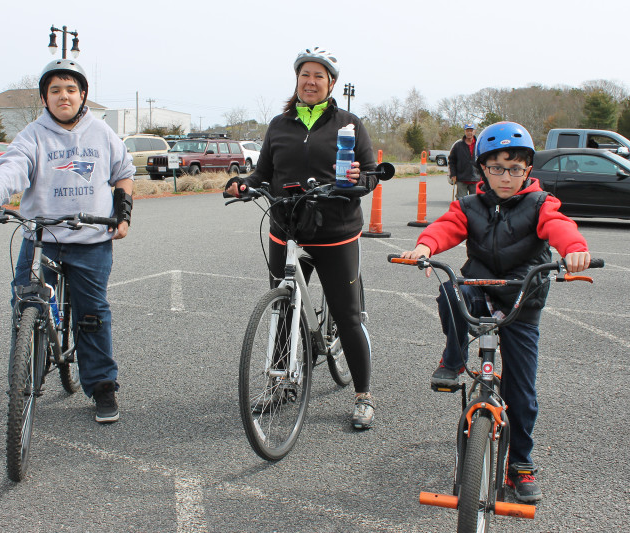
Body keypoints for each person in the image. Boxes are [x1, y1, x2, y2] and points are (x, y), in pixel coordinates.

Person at [399, 121, 592, 502]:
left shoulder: (540, 204)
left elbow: (559, 226)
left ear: (528, 170)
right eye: (497, 168)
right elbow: (445, 228)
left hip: (522, 299)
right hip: (480, 290)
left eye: (515, 168)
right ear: (482, 169)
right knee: (448, 291)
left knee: (522, 392)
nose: (506, 176)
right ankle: (453, 360)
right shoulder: (469, 205)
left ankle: (520, 463)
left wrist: (574, 249)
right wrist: (425, 248)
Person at [0, 58, 135, 424]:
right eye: (55, 90)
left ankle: (102, 386)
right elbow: (12, 168)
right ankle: (25, 372)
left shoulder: (102, 134)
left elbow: (124, 175)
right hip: (41, 237)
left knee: (91, 316)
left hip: (91, 240)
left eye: (71, 89)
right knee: (26, 303)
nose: (64, 96)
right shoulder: (32, 135)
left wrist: (123, 216)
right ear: (45, 97)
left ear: (83, 94)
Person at [225, 47, 380, 430]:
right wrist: (243, 185)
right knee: (282, 309)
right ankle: (279, 384)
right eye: (305, 75)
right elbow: (262, 173)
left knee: (346, 315)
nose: (311, 82)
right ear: (297, 80)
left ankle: (363, 395)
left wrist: (357, 180)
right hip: (287, 228)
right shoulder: (279, 124)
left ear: (331, 84)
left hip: (335, 233)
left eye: (319, 76)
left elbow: (372, 174)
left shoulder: (349, 124)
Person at [448, 123, 479, 198]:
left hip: (476, 178)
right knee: (461, 201)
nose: (469, 133)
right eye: (467, 131)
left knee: (475, 202)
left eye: (471, 130)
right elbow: (452, 161)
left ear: (474, 131)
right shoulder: (458, 145)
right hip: (462, 178)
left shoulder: (479, 145)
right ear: (465, 132)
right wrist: (453, 174)